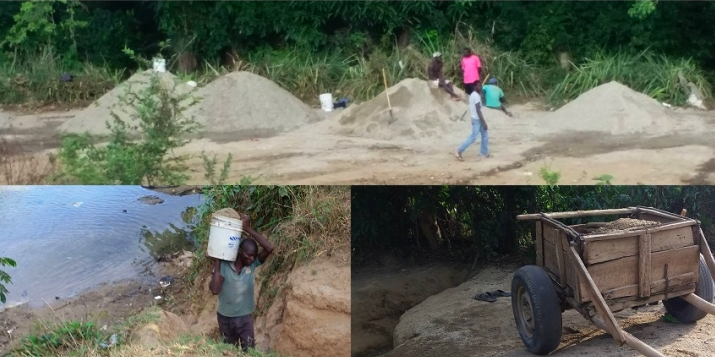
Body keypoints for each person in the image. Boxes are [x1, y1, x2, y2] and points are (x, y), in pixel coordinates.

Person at [209, 213, 274, 352]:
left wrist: (248, 229)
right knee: (228, 351)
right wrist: (218, 259)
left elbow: (269, 248)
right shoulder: (224, 265)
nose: (251, 258)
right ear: (239, 252)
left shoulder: (252, 265)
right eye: (248, 254)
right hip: (225, 318)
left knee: (249, 351)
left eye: (254, 256)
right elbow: (214, 290)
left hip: (245, 319)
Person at [455, 86, 490, 161]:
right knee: (473, 137)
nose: (480, 87)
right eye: (479, 85)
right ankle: (459, 151)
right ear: (475, 86)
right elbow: (478, 110)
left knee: (485, 134)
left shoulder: (473, 95)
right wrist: (484, 122)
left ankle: (484, 152)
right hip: (477, 119)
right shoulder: (476, 96)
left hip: (475, 118)